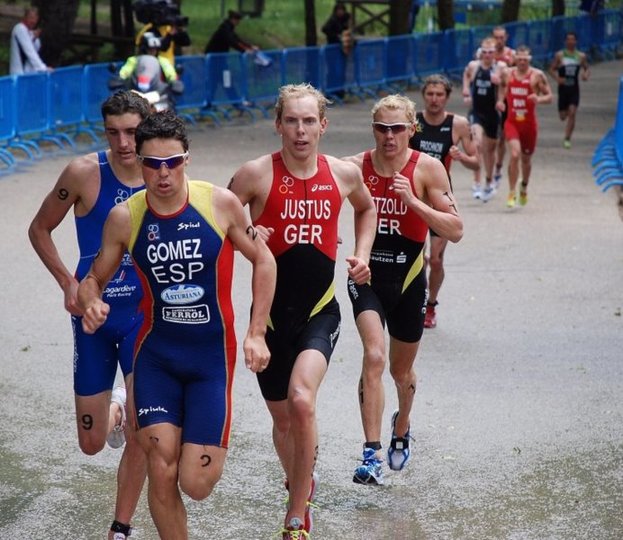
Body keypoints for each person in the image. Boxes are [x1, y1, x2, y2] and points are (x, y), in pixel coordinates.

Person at [77, 110, 276, 540]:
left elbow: (264, 259)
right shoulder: (125, 218)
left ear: (188, 159)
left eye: (173, 162)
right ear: (141, 163)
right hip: (157, 359)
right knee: (160, 465)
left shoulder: (218, 204)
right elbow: (92, 280)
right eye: (152, 163)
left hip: (210, 360)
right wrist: (90, 302)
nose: (163, 173)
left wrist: (256, 332)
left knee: (195, 483)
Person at [228, 83, 376, 538]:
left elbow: (366, 210)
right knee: (282, 420)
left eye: (309, 121)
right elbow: (222, 224)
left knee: (301, 400)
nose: (300, 130)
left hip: (319, 311)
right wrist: (251, 236)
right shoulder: (254, 174)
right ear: (278, 124)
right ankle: (299, 478)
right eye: (291, 120)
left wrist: (363, 254)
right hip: (269, 318)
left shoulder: (343, 174)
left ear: (323, 126)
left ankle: (297, 513)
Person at [28, 91, 151, 540]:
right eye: (113, 132)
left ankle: (121, 527)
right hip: (92, 317)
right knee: (91, 443)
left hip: (143, 316)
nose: (123, 143)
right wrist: (67, 283)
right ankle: (114, 407)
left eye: (133, 132)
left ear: (148, 126)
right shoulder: (84, 173)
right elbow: (39, 227)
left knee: (145, 427)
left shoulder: (162, 172)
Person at [341, 95, 463, 486]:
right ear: (373, 128)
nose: (389, 136)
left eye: (397, 128)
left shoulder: (427, 169)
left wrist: (413, 201)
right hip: (366, 276)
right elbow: (308, 182)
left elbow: (456, 230)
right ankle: (370, 454)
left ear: (413, 129)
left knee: (400, 370)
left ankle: (402, 424)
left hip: (409, 280)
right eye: (381, 128)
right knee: (374, 356)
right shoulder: (354, 166)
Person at [409, 74, 478, 329]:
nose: (434, 99)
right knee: (419, 258)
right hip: (413, 196)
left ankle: (431, 305)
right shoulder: (412, 121)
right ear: (423, 96)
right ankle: (414, 300)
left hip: (440, 198)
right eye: (430, 94)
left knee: (435, 260)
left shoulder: (458, 125)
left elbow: (476, 161)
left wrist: (461, 157)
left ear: (447, 97)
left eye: (439, 95)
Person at [496, 45, 553, 208]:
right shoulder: (507, 73)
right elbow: (501, 88)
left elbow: (549, 96)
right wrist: (500, 101)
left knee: (526, 160)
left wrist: (539, 99)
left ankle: (524, 186)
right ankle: (512, 191)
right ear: (515, 59)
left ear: (529, 59)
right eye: (519, 58)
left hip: (529, 125)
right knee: (514, 154)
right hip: (512, 122)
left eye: (525, 59)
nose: (522, 62)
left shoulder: (537, 75)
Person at [462, 37, 507, 201]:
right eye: (485, 52)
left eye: (490, 52)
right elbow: (466, 76)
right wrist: (466, 90)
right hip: (476, 112)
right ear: (481, 52)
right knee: (477, 144)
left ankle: (489, 181)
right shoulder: (474, 66)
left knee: (490, 150)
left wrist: (501, 99)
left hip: (493, 114)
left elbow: (505, 85)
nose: (487, 55)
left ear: (495, 53)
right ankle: (477, 183)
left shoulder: (501, 67)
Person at [204, 10, 257, 107]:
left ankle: (235, 103)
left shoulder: (228, 28)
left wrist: (249, 46)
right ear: (233, 19)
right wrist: (244, 50)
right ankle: (209, 106)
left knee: (223, 83)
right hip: (215, 62)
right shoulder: (224, 29)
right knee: (222, 83)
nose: (238, 23)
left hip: (219, 61)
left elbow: (237, 39)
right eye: (238, 20)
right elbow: (232, 42)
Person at [549, 31, 590, 149]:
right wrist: (557, 79)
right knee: (563, 116)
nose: (571, 42)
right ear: (565, 41)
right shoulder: (560, 55)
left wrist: (585, 75)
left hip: (574, 88)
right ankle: (565, 111)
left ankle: (567, 138)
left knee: (572, 112)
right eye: (568, 39)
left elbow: (587, 68)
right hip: (563, 89)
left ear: (576, 41)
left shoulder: (581, 56)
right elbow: (551, 69)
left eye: (573, 39)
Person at [491, 26, 515, 186]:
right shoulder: (486, 53)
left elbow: (515, 76)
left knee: (501, 138)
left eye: (501, 37)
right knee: (487, 138)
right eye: (496, 37)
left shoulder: (511, 55)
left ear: (506, 37)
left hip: (505, 101)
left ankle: (498, 166)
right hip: (487, 99)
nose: (499, 40)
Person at [9, 6, 50, 75]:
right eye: (31, 18)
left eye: (35, 19)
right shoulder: (20, 29)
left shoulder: (30, 33)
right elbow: (30, 52)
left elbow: (35, 48)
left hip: (29, 74)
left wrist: (34, 38)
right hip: (19, 74)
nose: (33, 21)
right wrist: (43, 68)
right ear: (25, 17)